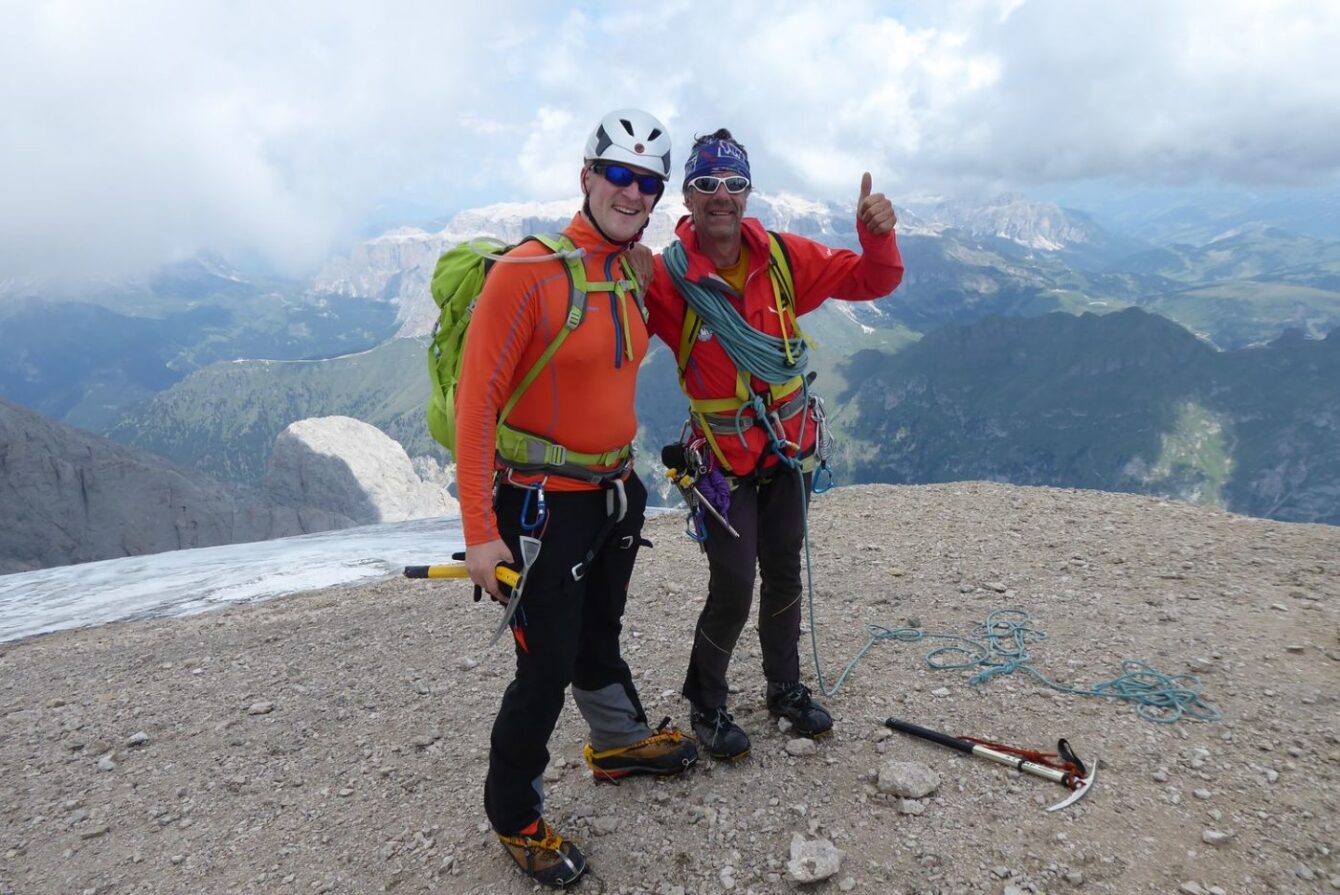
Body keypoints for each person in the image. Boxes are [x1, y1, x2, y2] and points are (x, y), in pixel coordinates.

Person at [455, 109, 698, 888]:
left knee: (599, 627)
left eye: (647, 181)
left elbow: (709, 303)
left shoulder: (636, 268)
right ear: (586, 174)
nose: (632, 192)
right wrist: (478, 534)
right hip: (534, 507)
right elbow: (475, 406)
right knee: (545, 663)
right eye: (619, 174)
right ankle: (513, 815)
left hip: (611, 491)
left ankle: (617, 742)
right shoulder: (525, 273)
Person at [643, 128, 903, 761]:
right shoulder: (666, 281)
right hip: (724, 465)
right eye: (707, 185)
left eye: (733, 184)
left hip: (785, 455)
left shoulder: (781, 261)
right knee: (733, 583)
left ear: (749, 191)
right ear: (688, 196)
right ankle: (706, 699)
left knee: (784, 569)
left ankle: (784, 688)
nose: (722, 197)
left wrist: (877, 233)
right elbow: (602, 311)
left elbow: (875, 278)